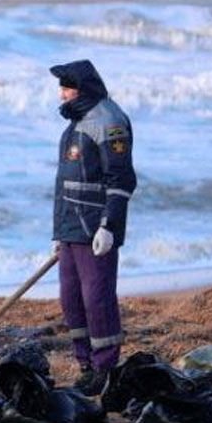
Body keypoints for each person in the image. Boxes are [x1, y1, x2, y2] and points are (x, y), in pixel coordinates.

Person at [51, 60, 136, 380]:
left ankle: (105, 368)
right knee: (70, 299)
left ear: (83, 89)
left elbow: (122, 179)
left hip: (95, 228)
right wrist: (59, 233)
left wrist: (109, 226)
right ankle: (85, 364)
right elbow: (66, 182)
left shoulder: (109, 121)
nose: (62, 95)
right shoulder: (76, 122)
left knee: (97, 299)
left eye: (67, 88)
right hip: (70, 227)